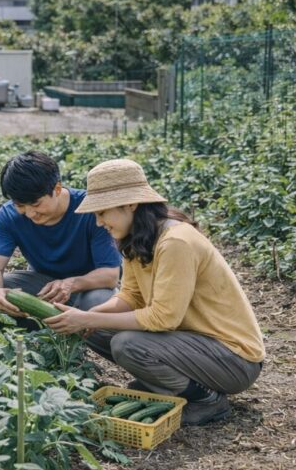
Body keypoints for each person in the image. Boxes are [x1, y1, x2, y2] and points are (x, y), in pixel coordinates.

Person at [44, 159, 265, 426]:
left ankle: (206, 400)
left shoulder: (176, 242)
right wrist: (86, 316)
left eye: (102, 213)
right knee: (95, 329)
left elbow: (163, 319)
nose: (99, 222)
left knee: (127, 344)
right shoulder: (136, 238)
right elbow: (131, 297)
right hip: (192, 344)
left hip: (233, 358)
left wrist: (89, 319)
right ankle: (164, 384)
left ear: (130, 204)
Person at [0, 151, 121, 330]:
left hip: (89, 287)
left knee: (100, 303)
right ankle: (41, 341)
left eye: (36, 204)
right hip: (43, 286)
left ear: (57, 189)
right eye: (20, 205)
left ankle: (79, 343)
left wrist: (71, 283)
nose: (30, 213)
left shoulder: (91, 210)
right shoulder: (8, 215)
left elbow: (110, 275)